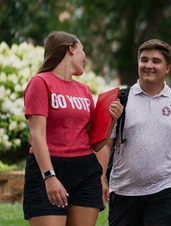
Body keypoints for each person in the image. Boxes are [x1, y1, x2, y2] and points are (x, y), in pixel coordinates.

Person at [23, 31, 123, 226]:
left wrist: (112, 120)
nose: (85, 57)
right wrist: (49, 176)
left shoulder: (84, 90)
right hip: (50, 166)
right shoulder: (41, 82)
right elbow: (37, 135)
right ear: (71, 49)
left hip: (85, 170)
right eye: (82, 50)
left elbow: (95, 143)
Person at [95, 39, 171, 226]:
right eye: (144, 60)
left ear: (167, 67)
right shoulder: (120, 99)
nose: (148, 65)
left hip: (166, 189)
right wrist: (101, 177)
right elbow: (105, 144)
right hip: (124, 191)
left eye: (155, 61)